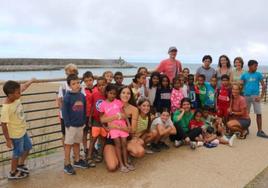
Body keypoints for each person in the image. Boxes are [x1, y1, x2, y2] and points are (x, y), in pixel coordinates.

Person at [1, 79, 35, 179]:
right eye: (18, 92)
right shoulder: (6, 108)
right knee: (17, 153)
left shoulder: (16, 97)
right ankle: (12, 172)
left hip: (23, 131)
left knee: (28, 147)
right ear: (10, 95)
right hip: (15, 135)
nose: (20, 93)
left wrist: (31, 81)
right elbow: (3, 125)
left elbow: (23, 87)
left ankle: (20, 165)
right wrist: (8, 140)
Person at [102, 86, 139, 172]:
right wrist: (107, 127)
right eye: (123, 93)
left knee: (138, 151)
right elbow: (102, 120)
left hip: (125, 137)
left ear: (131, 95)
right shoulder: (110, 105)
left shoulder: (134, 109)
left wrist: (119, 127)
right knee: (112, 167)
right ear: (119, 94)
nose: (126, 95)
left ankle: (124, 158)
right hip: (112, 140)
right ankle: (113, 154)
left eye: (128, 93)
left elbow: (132, 130)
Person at [62, 74, 88, 175]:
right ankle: (67, 163)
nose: (76, 85)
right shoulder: (67, 97)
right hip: (71, 125)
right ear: (69, 85)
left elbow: (84, 108)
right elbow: (64, 112)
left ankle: (77, 160)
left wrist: (84, 121)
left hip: (80, 124)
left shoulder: (81, 96)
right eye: (74, 83)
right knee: (68, 144)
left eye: (78, 82)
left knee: (77, 142)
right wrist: (67, 124)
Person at [240, 60, 268, 138]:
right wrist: (241, 96)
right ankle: (246, 129)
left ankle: (259, 131)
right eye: (255, 66)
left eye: (256, 66)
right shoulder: (244, 75)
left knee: (258, 113)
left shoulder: (258, 74)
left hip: (256, 96)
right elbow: (241, 86)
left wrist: (261, 96)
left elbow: (264, 86)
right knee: (245, 114)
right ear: (250, 66)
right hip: (246, 96)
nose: (256, 67)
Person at [87, 76, 107, 167]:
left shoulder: (108, 95)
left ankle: (100, 155)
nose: (101, 87)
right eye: (99, 85)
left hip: (105, 122)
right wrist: (90, 119)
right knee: (93, 139)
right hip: (95, 120)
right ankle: (89, 157)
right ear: (97, 86)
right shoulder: (94, 95)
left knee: (103, 138)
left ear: (106, 84)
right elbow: (92, 107)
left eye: (103, 85)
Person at [57, 64, 80, 143]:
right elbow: (59, 101)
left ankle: (75, 153)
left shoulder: (79, 86)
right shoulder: (63, 86)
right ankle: (66, 154)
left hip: (76, 116)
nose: (71, 73)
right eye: (69, 72)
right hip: (65, 116)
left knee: (75, 135)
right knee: (65, 134)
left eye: (73, 71)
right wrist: (64, 113)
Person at [81, 71, 94, 156]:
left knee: (93, 133)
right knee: (85, 132)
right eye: (86, 81)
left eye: (90, 80)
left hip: (94, 115)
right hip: (85, 115)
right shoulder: (82, 90)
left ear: (93, 80)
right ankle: (85, 148)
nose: (88, 82)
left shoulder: (96, 88)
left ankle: (92, 148)